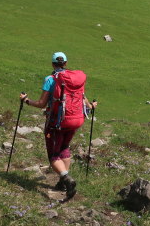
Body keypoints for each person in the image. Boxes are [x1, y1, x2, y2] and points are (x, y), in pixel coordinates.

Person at [20, 52, 97, 200]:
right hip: (75, 120)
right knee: (64, 148)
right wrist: (91, 106)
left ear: (52, 64)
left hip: (57, 122)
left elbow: (41, 104)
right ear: (66, 63)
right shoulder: (75, 80)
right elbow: (83, 99)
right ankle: (62, 183)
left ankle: (67, 179)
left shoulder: (50, 79)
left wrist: (26, 100)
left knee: (54, 155)